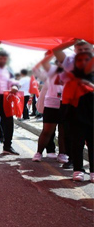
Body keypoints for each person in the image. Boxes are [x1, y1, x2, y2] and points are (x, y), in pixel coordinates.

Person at [61, 51, 93, 182]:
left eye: (87, 60)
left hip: (92, 116)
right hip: (76, 117)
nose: (83, 62)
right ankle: (78, 169)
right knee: (77, 144)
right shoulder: (70, 77)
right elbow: (66, 98)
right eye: (79, 60)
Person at [32, 51, 63, 162]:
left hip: (66, 104)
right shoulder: (51, 71)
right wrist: (50, 54)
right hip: (51, 103)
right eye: (59, 61)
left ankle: (62, 154)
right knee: (48, 130)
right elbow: (36, 69)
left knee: (63, 131)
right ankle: (39, 152)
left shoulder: (72, 72)